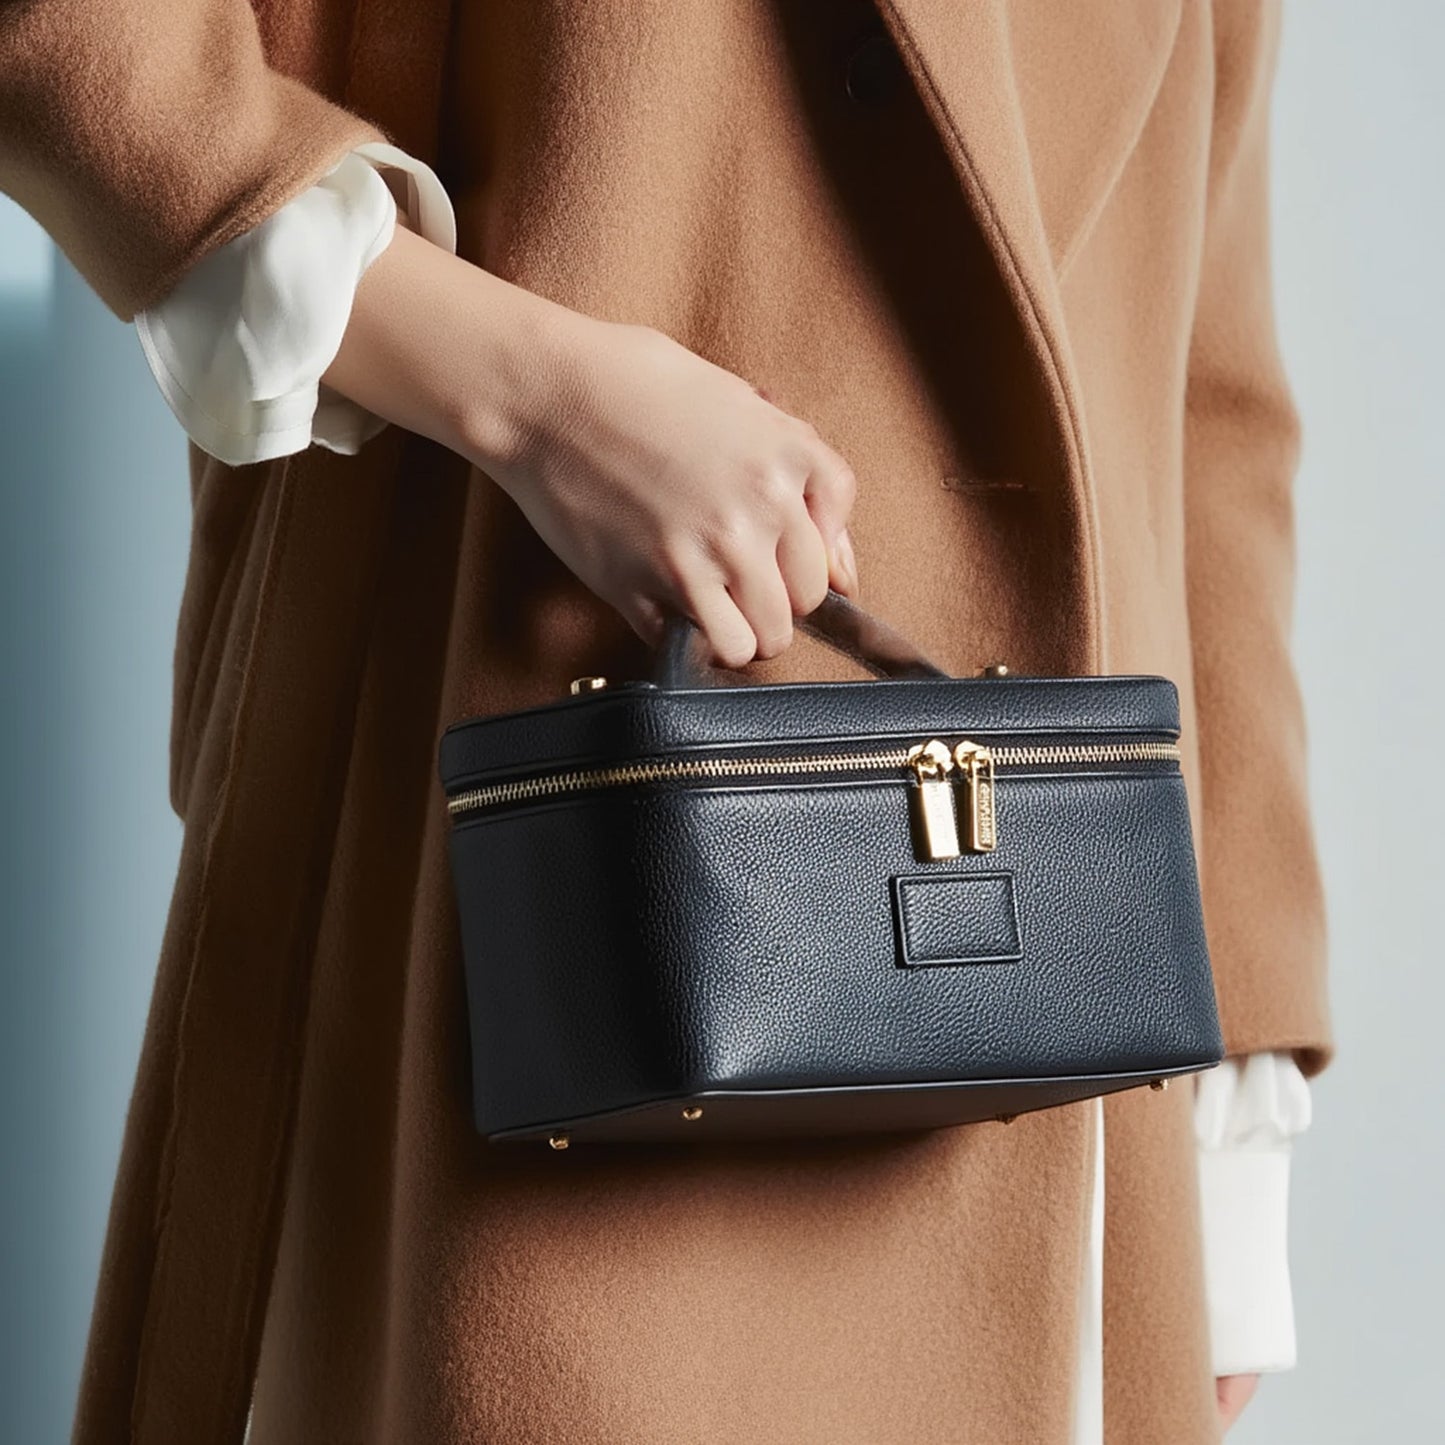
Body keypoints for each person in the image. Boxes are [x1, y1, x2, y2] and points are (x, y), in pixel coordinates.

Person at [2, 1, 1334, 1441]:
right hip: (543, 865)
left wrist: (1235, 1114)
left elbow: (1210, 400)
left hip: (1067, 1014)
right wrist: (527, 391)